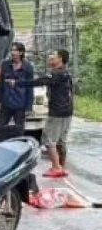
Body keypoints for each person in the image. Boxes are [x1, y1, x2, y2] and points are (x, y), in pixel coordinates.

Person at [28, 49, 74, 178]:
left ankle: (56, 168)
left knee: (48, 140)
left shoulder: (56, 74)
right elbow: (71, 94)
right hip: (67, 112)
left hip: (57, 112)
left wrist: (18, 83)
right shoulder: (67, 74)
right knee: (61, 141)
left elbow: (38, 82)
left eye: (53, 56)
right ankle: (62, 166)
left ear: (60, 59)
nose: (50, 57)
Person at [0, 43, 34, 140]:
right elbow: (1, 83)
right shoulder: (5, 65)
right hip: (6, 103)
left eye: (15, 50)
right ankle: (0, 144)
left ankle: (18, 145)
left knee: (19, 131)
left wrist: (29, 107)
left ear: (21, 52)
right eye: (12, 50)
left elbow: (30, 88)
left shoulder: (28, 67)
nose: (12, 52)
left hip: (20, 105)